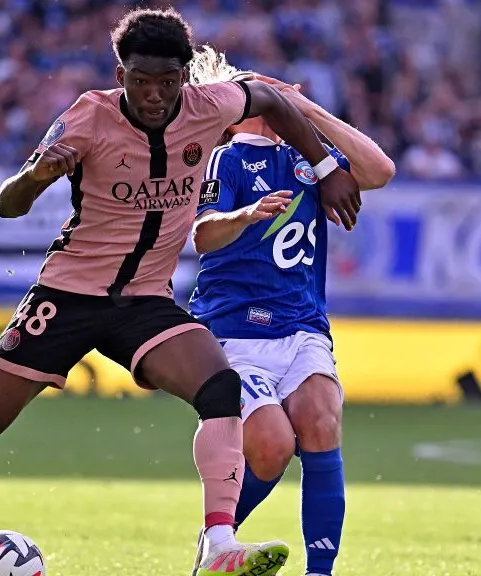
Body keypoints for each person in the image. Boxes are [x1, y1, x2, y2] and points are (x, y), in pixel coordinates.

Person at [0, 8, 362, 576]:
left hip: (144, 302)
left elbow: (271, 102)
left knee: (220, 387)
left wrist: (323, 164)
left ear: (185, 76)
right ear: (121, 76)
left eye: (167, 82)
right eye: (141, 81)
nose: (154, 95)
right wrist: (38, 175)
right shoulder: (86, 118)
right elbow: (7, 204)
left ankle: (218, 542)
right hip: (68, 295)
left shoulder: (208, 107)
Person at [187, 48, 395, 576]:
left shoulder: (308, 160)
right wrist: (246, 215)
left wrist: (310, 112)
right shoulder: (225, 159)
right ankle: (217, 543)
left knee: (322, 421)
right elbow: (203, 235)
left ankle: (318, 573)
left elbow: (379, 169)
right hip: (233, 333)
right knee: (273, 446)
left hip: (302, 328)